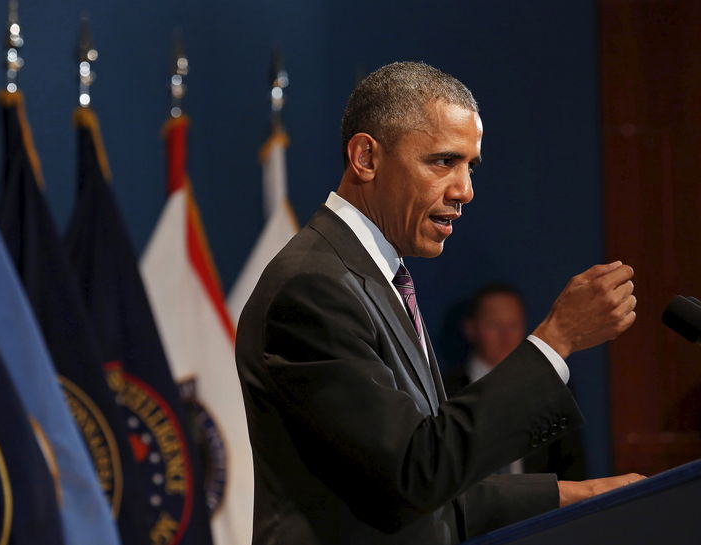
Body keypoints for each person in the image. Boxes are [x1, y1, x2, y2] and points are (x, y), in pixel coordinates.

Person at [235, 61, 643, 545]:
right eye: (443, 161)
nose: (465, 191)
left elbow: (431, 487)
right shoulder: (312, 287)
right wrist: (556, 339)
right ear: (366, 157)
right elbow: (414, 474)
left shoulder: (375, 278)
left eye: (470, 166)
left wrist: (582, 494)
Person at [443, 284, 587, 480]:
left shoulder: (550, 386)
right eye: (493, 325)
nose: (506, 336)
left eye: (513, 325)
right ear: (471, 329)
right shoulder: (444, 390)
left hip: (541, 506)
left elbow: (572, 465)